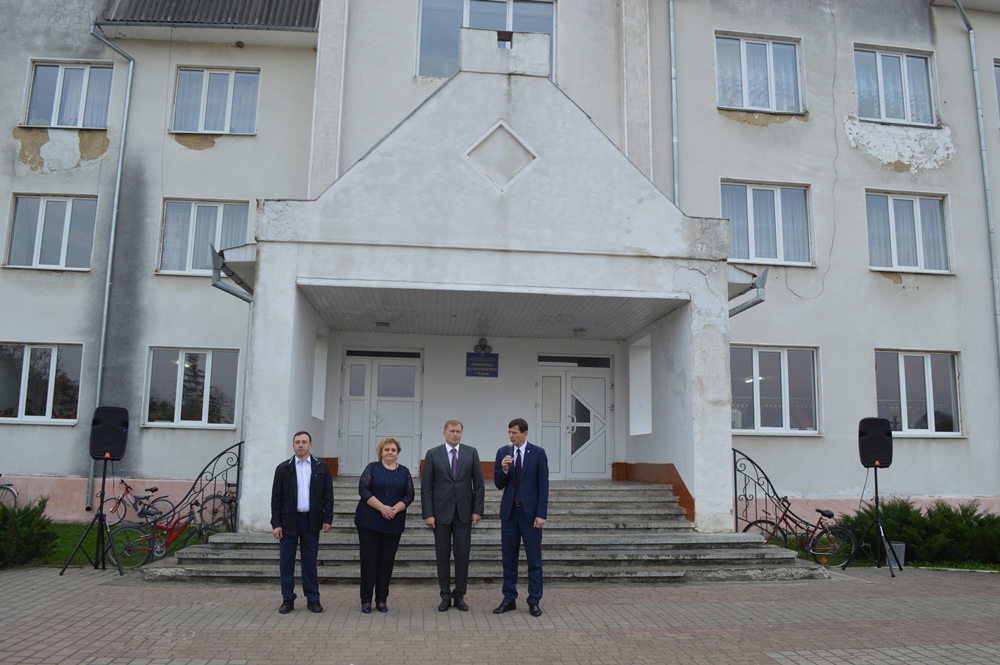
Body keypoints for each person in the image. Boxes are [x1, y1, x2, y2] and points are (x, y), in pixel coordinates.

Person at [421, 419, 485, 611]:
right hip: (440, 514)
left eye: (458, 431)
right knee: (442, 555)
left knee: (462, 555)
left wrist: (477, 510)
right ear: (444, 433)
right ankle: (445, 595)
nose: (455, 434)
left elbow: (479, 484)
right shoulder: (433, 454)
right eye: (452, 431)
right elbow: (426, 487)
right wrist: (428, 514)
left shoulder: (471, 453)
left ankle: (459, 595)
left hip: (464, 514)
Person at [270, 430, 334, 614]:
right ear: (293, 445)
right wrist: (276, 524)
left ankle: (313, 599)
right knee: (286, 562)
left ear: (310, 445)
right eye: (297, 442)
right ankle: (287, 599)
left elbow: (328, 494)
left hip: (311, 521)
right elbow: (276, 498)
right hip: (288, 521)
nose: (300, 445)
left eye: (304, 442)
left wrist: (327, 518)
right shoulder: (283, 468)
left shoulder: (321, 467)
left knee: (309, 562)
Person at [493, 417, 549, 617]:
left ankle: (534, 601)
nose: (511, 436)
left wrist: (541, 514)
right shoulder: (503, 452)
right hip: (510, 514)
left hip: (530, 515)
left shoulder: (538, 453)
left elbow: (543, 487)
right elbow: (498, 484)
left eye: (514, 433)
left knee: (534, 560)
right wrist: (504, 469)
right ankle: (509, 598)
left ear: (525, 433)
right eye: (509, 432)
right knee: (509, 559)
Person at [354, 437, 415, 613]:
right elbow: (363, 490)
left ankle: (381, 600)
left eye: (393, 450)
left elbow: (410, 495)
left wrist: (395, 509)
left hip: (393, 523)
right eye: (386, 449)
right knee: (369, 561)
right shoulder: (372, 468)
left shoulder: (404, 471)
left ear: (398, 453)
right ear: (381, 452)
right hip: (369, 522)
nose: (390, 452)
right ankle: (366, 600)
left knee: (386, 562)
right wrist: (382, 508)